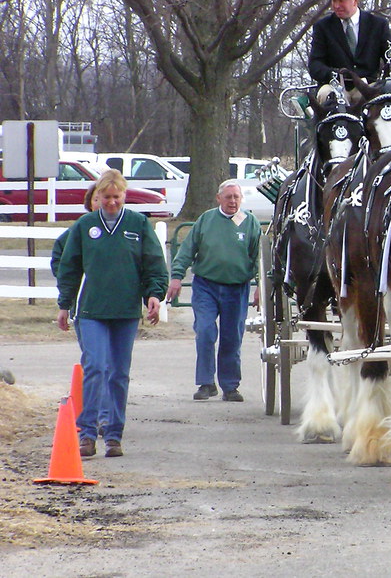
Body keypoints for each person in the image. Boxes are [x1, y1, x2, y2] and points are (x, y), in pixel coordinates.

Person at [56, 169, 167, 458]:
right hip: (92, 310)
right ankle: (88, 433)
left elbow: (154, 264)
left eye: (116, 197)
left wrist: (154, 295)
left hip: (125, 311)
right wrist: (64, 304)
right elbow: (69, 266)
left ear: (124, 196)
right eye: (106, 197)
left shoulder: (138, 224)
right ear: (98, 197)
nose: (111, 203)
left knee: (119, 373)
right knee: (95, 367)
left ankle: (114, 434)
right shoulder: (85, 226)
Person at [167, 180, 261, 402]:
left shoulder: (250, 222)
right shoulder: (206, 220)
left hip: (236, 288)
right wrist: (177, 277)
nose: (232, 201)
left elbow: (258, 257)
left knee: (232, 337)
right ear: (219, 198)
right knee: (206, 331)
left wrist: (261, 286)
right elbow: (187, 249)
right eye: (228, 197)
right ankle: (206, 383)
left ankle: (230, 386)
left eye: (236, 197)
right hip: (206, 286)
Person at [51, 184, 111, 436]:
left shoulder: (123, 230)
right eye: (99, 199)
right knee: (95, 363)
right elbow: (60, 261)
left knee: (112, 366)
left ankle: (107, 416)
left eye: (108, 197)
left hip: (116, 309)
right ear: (91, 202)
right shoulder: (78, 230)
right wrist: (71, 292)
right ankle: (94, 416)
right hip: (86, 308)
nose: (103, 203)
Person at [307, 0, 391, 87]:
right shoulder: (323, 27)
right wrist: (337, 75)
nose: (336, 5)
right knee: (326, 96)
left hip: (369, 88)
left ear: (355, 0)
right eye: (334, 1)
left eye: (341, 0)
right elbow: (315, 64)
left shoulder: (377, 25)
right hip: (334, 87)